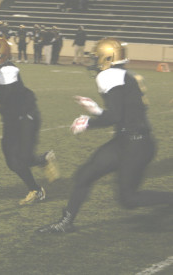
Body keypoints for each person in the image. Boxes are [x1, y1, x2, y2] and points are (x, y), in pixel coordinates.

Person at [37, 37, 173, 233]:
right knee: (85, 175)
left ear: (107, 57)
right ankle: (66, 222)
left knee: (129, 199)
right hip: (130, 140)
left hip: (135, 145)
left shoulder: (108, 75)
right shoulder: (124, 74)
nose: (95, 61)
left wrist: (88, 122)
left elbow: (116, 116)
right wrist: (96, 110)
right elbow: (122, 114)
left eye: (97, 57)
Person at [0, 36, 60, 205]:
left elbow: (2, 97)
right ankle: (42, 160)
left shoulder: (8, 71)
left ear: (0, 55)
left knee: (21, 158)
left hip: (26, 116)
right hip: (10, 119)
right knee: (13, 162)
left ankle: (36, 190)